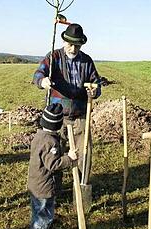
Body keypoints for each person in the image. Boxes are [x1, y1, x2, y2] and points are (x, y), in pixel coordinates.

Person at [33, 23, 101, 182]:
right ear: (64, 42)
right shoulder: (53, 57)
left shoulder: (86, 61)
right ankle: (55, 187)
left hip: (80, 116)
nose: (73, 49)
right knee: (55, 153)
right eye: (70, 45)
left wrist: (94, 90)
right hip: (57, 118)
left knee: (84, 153)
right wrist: (43, 81)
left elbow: (96, 82)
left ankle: (83, 182)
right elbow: (38, 74)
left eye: (77, 45)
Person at [27, 103, 78, 229]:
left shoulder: (39, 136)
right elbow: (53, 164)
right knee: (43, 218)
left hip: (36, 184)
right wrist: (69, 158)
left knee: (38, 214)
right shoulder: (50, 143)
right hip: (44, 187)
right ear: (57, 125)